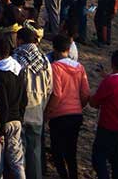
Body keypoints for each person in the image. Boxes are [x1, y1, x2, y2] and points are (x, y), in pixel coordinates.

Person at [46, 33, 90, 179]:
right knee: (71, 151)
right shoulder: (80, 67)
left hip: (59, 116)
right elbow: (85, 94)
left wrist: (48, 113)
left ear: (55, 49)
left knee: (57, 151)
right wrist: (78, 106)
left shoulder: (55, 68)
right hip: (76, 115)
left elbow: (57, 94)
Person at [13, 27, 52, 179]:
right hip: (38, 111)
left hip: (21, 110)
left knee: (20, 150)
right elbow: (50, 87)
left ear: (20, 40)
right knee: (35, 151)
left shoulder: (17, 58)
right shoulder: (44, 60)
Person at [90, 50, 118, 179]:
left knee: (98, 158)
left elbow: (94, 102)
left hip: (107, 124)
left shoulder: (109, 82)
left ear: (112, 63)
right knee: (115, 158)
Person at [0, 35, 26, 179]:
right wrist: (20, 116)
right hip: (17, 119)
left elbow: (3, 105)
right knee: (16, 160)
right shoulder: (18, 69)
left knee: (0, 160)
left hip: (5, 122)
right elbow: (24, 98)